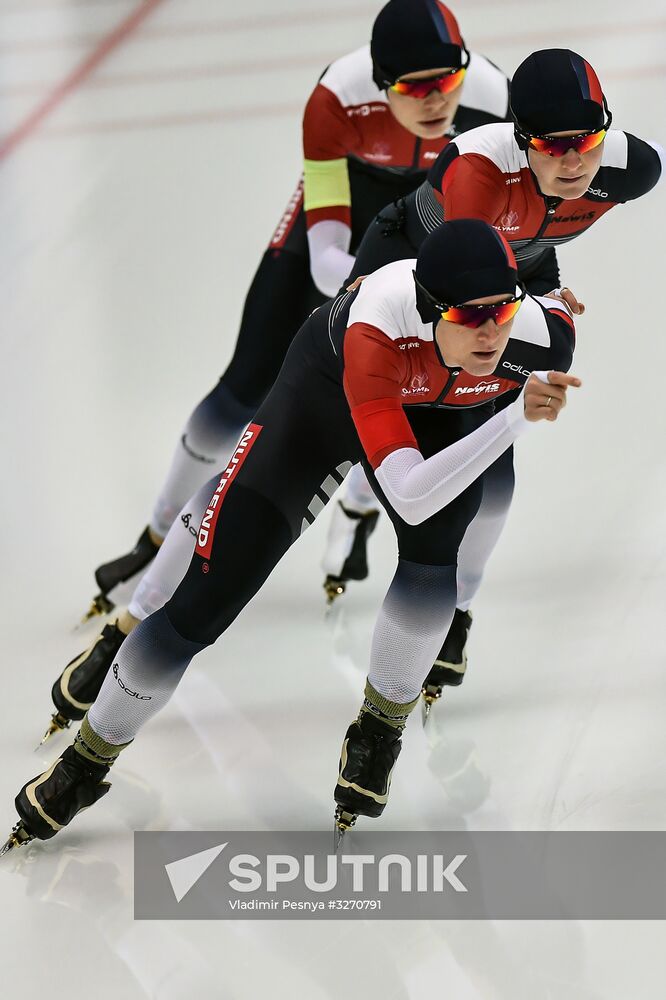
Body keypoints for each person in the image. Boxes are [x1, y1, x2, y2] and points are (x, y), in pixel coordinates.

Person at [42, 46, 660, 741]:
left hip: (488, 294)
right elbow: (474, 269)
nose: (575, 159)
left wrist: (541, 292)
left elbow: (528, 250)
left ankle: (453, 608)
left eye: (588, 140)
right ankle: (136, 618)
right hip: (420, 284)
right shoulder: (478, 174)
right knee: (281, 451)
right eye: (554, 144)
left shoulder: (633, 169)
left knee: (494, 477)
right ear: (522, 141)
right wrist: (529, 299)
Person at [4, 218, 580, 852]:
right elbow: (411, 495)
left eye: (502, 309)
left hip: (439, 413)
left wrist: (507, 405)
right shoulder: (376, 329)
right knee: (205, 600)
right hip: (321, 404)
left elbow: (425, 503)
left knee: (434, 560)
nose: (493, 330)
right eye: (471, 319)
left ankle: (379, 727)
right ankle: (84, 765)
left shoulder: (541, 338)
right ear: (430, 309)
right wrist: (513, 423)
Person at [86, 0, 510, 618]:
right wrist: (381, 295)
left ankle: (364, 502)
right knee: (242, 389)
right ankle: (154, 538)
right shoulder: (336, 98)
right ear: (379, 82)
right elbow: (325, 255)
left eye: (447, 82)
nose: (435, 102)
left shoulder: (495, 102)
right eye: (413, 88)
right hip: (350, 213)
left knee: (425, 381)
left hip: (434, 220)